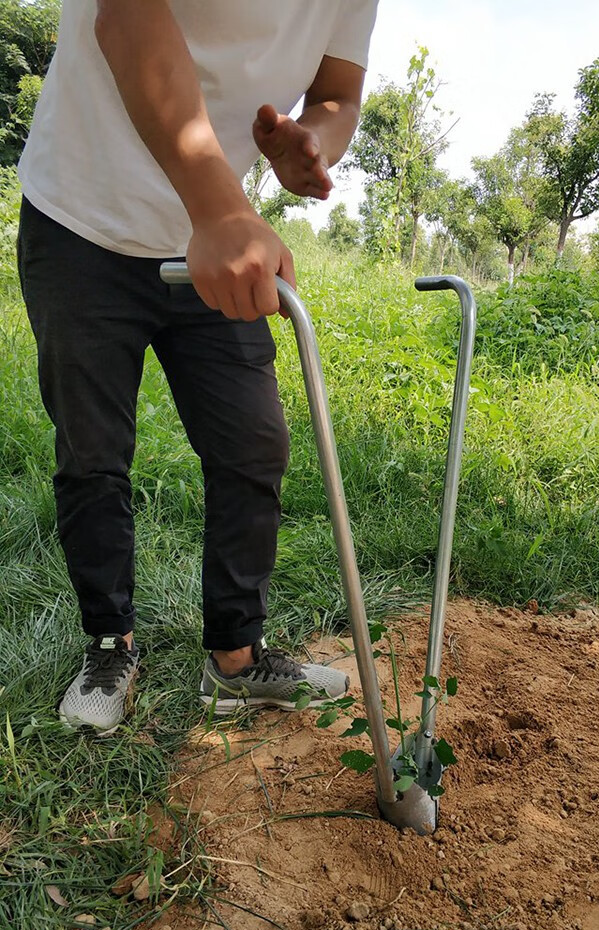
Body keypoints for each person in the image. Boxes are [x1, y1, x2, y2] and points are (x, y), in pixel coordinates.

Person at [16, 0, 379, 735]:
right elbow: (126, 18)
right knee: (92, 449)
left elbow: (339, 92)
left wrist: (316, 138)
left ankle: (236, 661)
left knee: (253, 442)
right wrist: (223, 210)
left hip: (211, 242)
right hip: (82, 218)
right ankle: (110, 646)